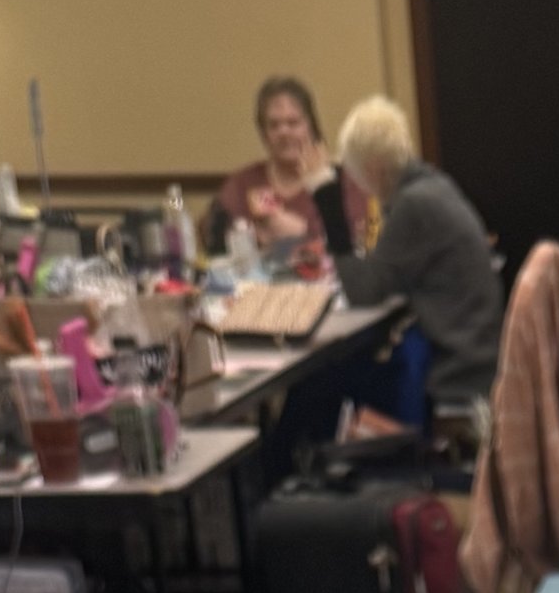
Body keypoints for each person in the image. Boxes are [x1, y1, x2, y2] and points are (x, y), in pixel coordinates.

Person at [333, 96, 503, 409]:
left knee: (329, 383)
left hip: (456, 369)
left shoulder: (414, 205)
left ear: (372, 169)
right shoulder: (436, 185)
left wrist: (326, 206)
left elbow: (365, 289)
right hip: (476, 352)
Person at [204, 75, 353, 260]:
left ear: (311, 126)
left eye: (293, 123)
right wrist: (253, 238)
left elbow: (356, 245)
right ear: (263, 133)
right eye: (274, 125)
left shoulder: (340, 181)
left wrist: (304, 232)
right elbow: (213, 244)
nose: (284, 132)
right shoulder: (243, 183)